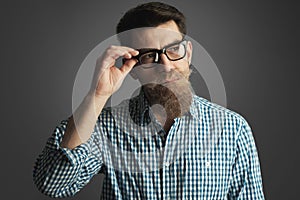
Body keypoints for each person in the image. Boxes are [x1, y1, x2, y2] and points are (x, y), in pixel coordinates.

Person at [33, 2, 265, 199]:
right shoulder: (107, 126)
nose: (166, 66)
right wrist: (97, 95)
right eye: (149, 56)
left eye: (173, 50)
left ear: (189, 52)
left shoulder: (233, 129)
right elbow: (53, 184)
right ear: (132, 67)